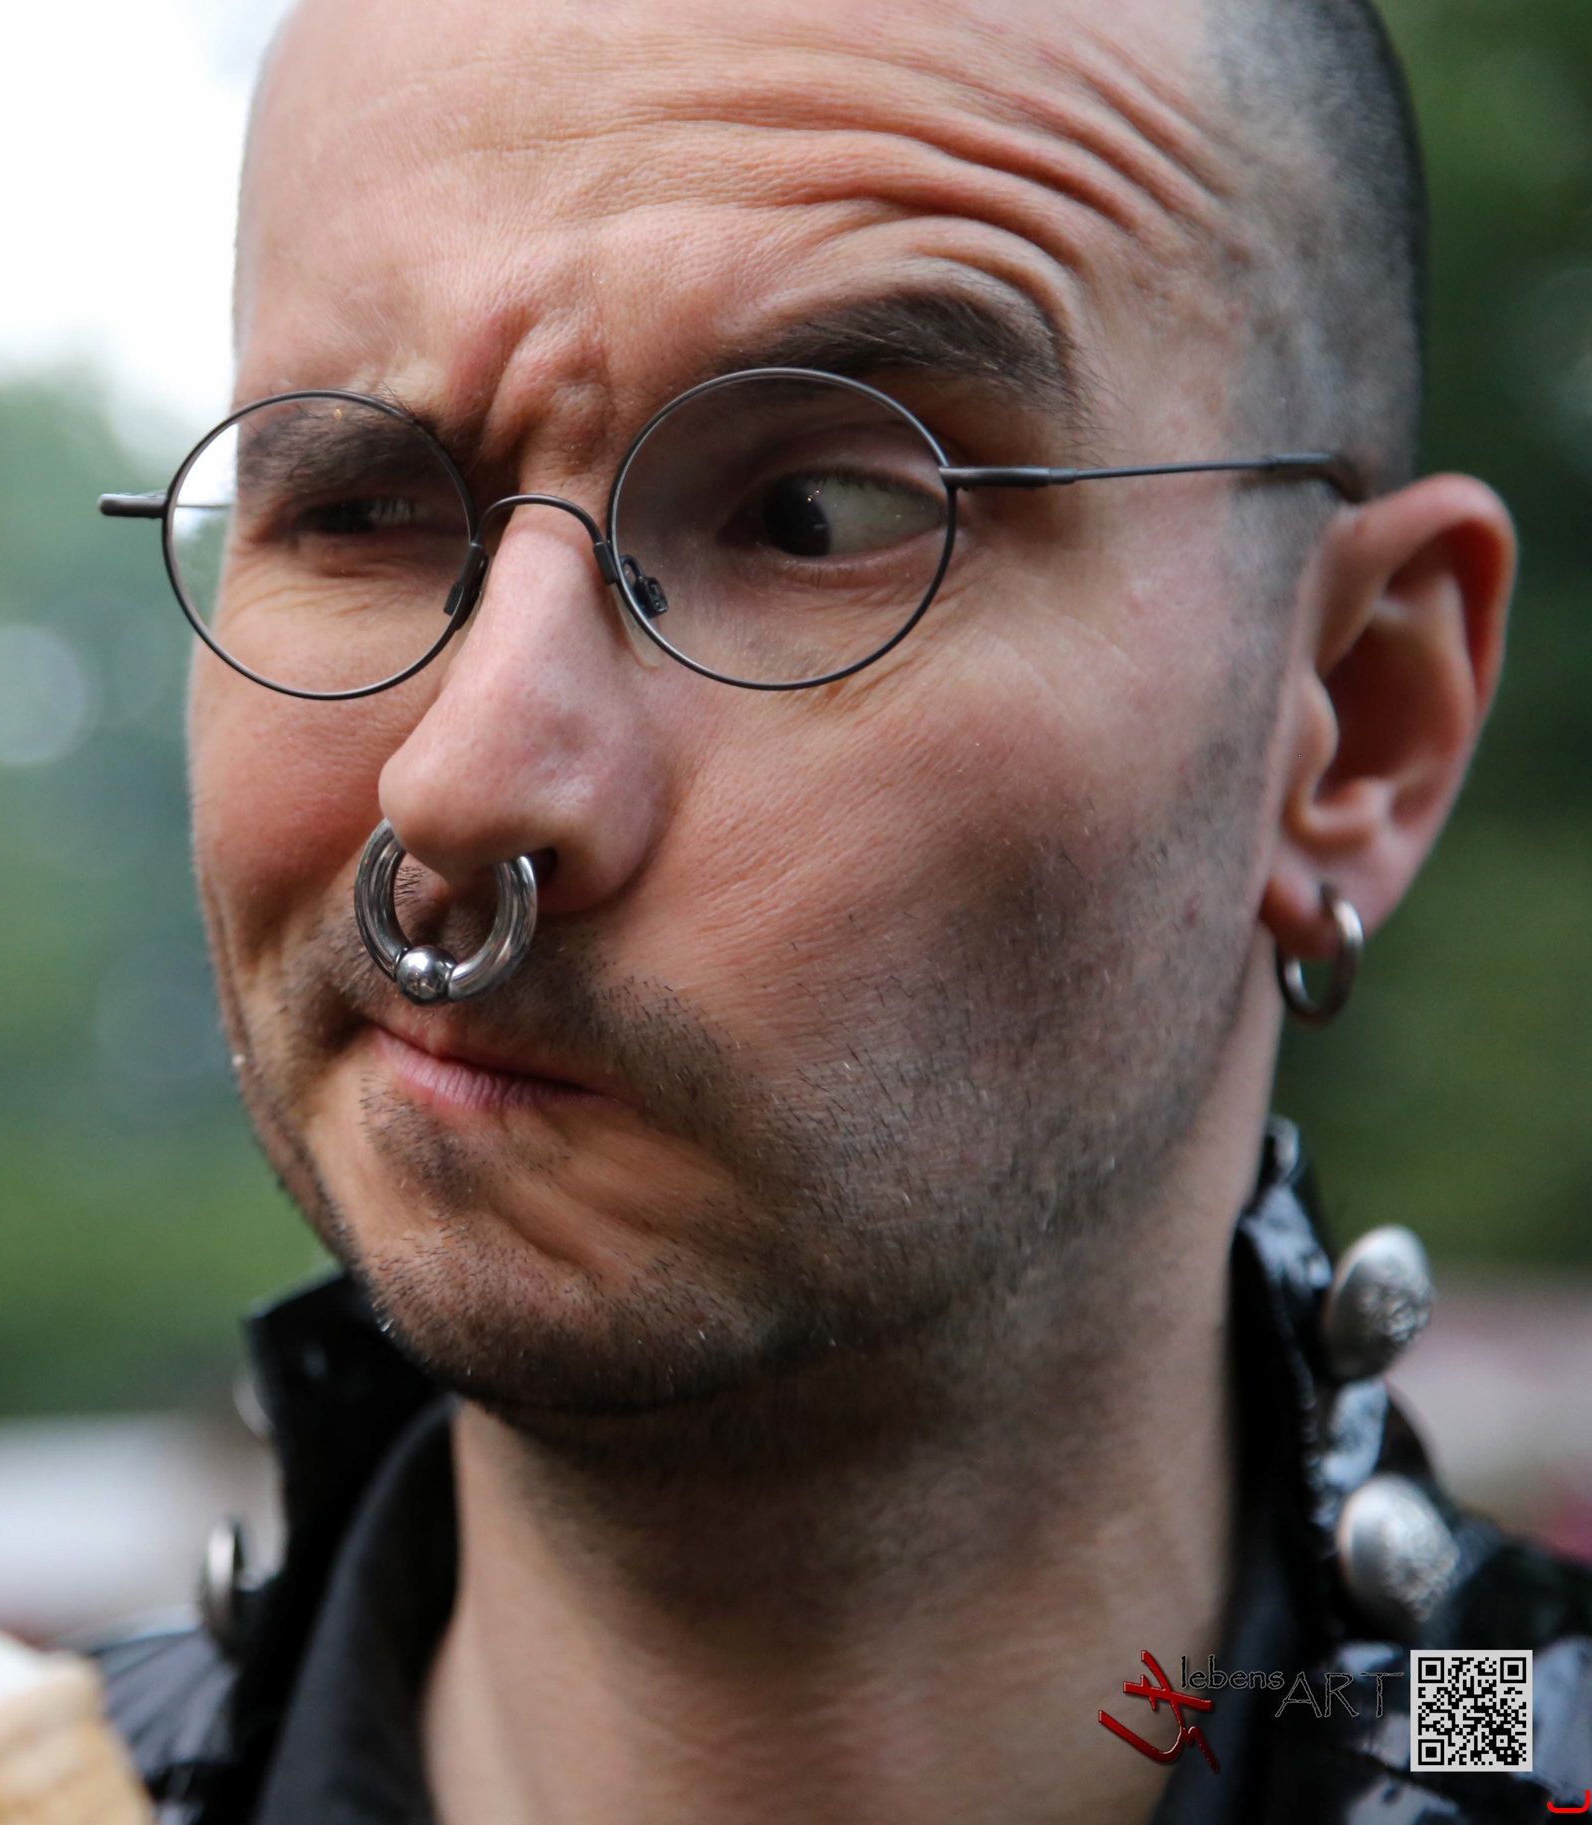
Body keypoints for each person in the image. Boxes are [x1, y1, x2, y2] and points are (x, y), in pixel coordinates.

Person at [83, 0, 1592, 1820]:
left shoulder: (1527, 1761)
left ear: (1355, 718)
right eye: (358, 508)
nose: (460, 780)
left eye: (810, 515)